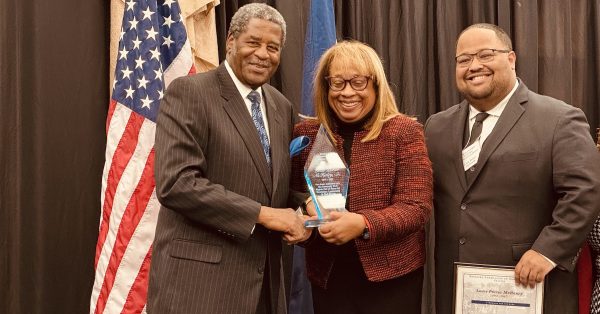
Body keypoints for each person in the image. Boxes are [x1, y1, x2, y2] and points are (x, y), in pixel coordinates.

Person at [424, 23, 600, 313]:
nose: (474, 66)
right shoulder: (436, 127)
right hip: (457, 291)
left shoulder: (559, 119)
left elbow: (586, 192)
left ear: (511, 58)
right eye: (464, 59)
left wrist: (549, 250)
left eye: (485, 54)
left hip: (529, 288)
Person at [147, 4, 310, 314]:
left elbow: (275, 183)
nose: (263, 54)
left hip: (264, 289)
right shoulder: (190, 93)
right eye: (253, 42)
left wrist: (307, 210)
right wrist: (264, 215)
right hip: (200, 290)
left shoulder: (280, 106)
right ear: (231, 41)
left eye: (273, 47)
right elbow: (177, 184)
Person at [291, 41, 433, 314]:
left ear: (375, 86)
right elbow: (288, 190)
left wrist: (363, 224)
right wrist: (305, 208)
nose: (347, 93)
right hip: (329, 276)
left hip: (392, 277)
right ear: (325, 86)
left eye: (358, 82)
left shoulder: (403, 132)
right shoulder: (306, 134)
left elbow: (416, 207)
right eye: (338, 83)